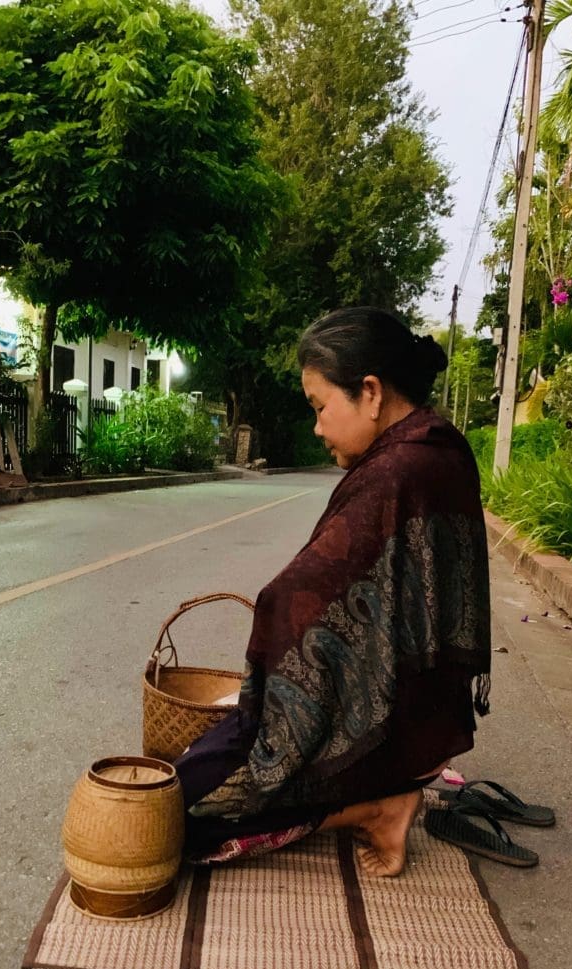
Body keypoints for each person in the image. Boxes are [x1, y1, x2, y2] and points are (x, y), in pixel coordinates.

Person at [174, 306, 491, 877]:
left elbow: (296, 602)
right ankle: (388, 793)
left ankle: (375, 808)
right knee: (186, 781)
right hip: (417, 728)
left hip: (387, 743)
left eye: (321, 408)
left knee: (179, 820)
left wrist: (261, 700)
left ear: (369, 393)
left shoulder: (395, 471)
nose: (318, 428)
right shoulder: (442, 447)